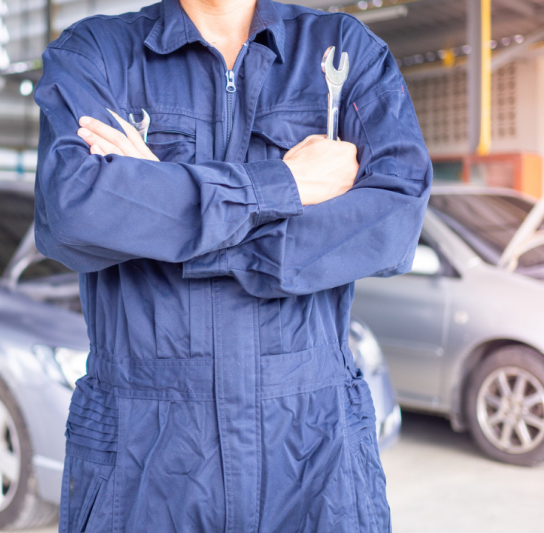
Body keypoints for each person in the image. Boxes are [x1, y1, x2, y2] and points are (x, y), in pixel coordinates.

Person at [33, 0, 431, 531]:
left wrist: (164, 203)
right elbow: (73, 212)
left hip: (314, 450)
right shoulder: (97, 55)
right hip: (142, 453)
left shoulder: (343, 50)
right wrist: (284, 185)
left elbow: (394, 222)